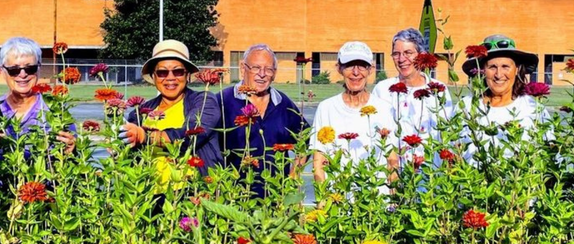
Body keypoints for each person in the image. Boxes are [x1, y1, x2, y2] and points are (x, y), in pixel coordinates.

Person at [119, 39, 221, 188]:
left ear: (187, 75)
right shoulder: (142, 111)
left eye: (178, 71)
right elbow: (129, 148)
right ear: (154, 77)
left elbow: (192, 134)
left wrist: (144, 136)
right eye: (162, 72)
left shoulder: (204, 100)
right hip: (147, 195)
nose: (170, 77)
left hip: (190, 192)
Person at [216, 44, 309, 198]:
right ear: (243, 68)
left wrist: (293, 177)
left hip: (275, 198)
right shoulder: (222, 101)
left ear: (274, 73)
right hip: (233, 198)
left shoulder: (283, 103)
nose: (262, 74)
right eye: (256, 67)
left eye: (268, 69)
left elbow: (304, 139)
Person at [310, 41, 399, 194]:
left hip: (375, 203)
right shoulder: (327, 108)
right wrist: (322, 200)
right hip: (338, 202)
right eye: (350, 65)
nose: (356, 73)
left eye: (362, 66)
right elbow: (318, 159)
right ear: (339, 68)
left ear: (371, 69)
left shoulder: (384, 108)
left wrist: (395, 200)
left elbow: (392, 160)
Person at [0, 37, 77, 154]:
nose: (22, 74)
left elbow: (75, 161)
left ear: (39, 68)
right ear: (3, 70)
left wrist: (72, 150)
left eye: (30, 68)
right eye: (14, 69)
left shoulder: (57, 110)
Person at [459, 34, 552, 163]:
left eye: (505, 67)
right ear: (482, 71)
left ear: (517, 69)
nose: (498, 74)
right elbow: (453, 151)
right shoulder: (466, 106)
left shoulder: (532, 108)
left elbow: (551, 153)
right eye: (492, 67)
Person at [372, 28, 453, 142]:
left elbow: (447, 132)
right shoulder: (383, 90)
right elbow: (375, 128)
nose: (401, 59)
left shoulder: (437, 89)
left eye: (408, 53)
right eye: (396, 54)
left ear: (421, 55)